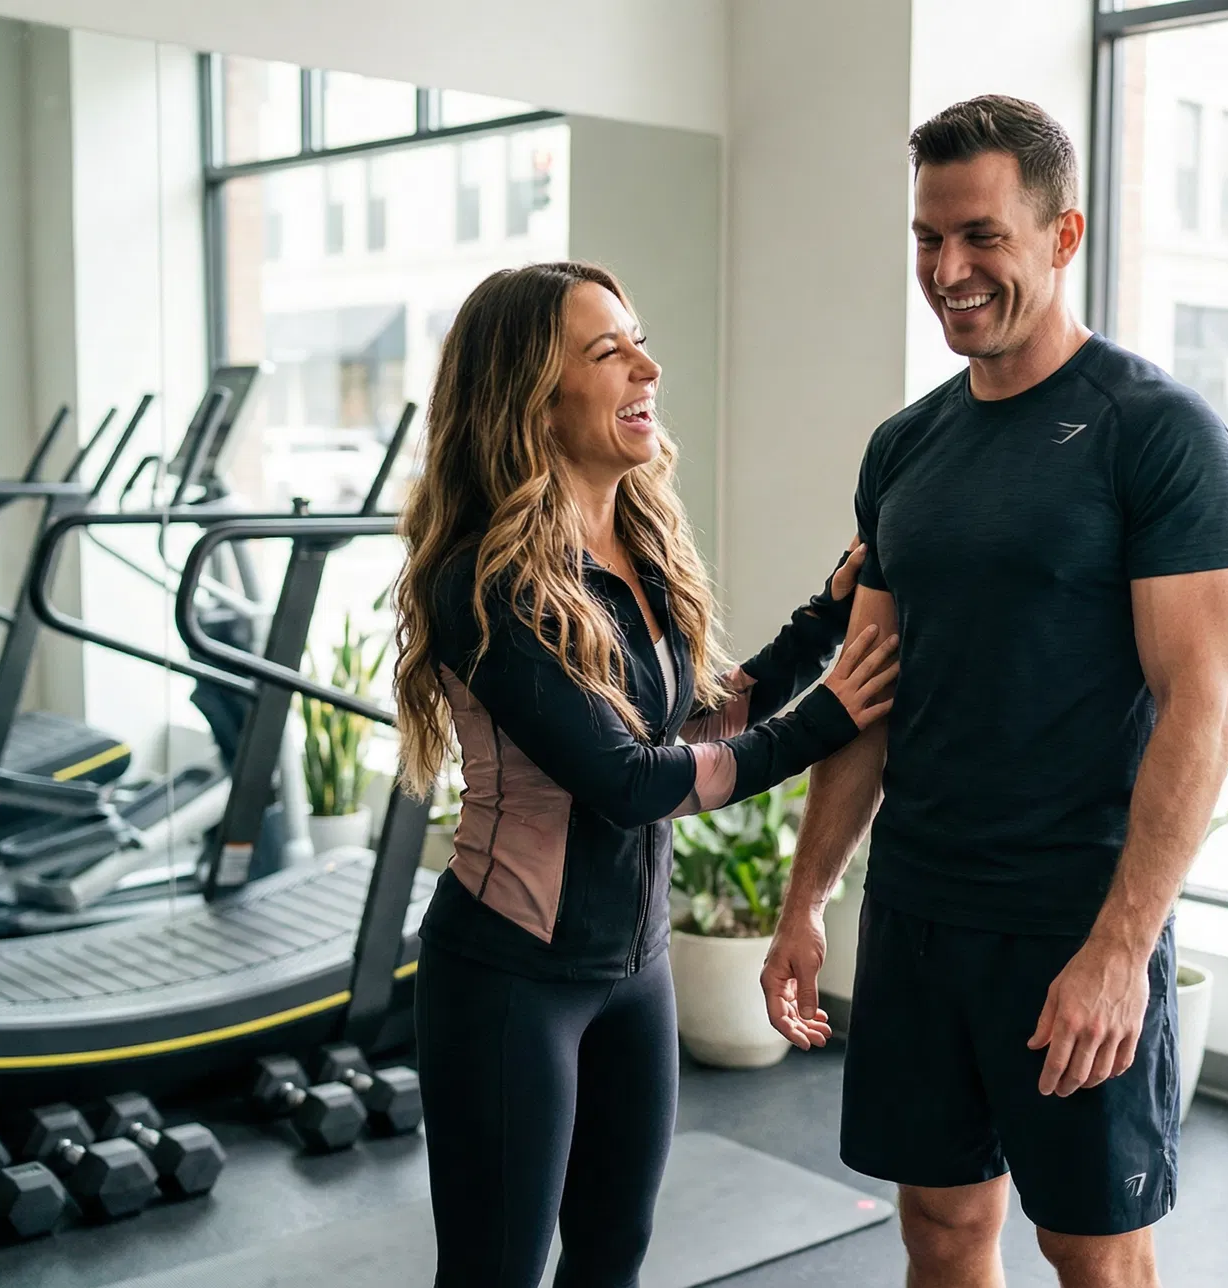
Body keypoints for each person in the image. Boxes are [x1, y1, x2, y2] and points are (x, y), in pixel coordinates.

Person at [761, 96, 1228, 1288]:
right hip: (922, 911)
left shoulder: (1159, 435)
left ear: (1062, 234)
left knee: (1091, 1246)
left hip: (1068, 919)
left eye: (981, 236)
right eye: (929, 239)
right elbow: (864, 691)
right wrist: (809, 896)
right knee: (938, 1226)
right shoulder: (906, 449)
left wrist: (1120, 949)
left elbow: (1203, 707)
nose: (949, 270)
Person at [391, 260, 899, 1288]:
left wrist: (825, 620)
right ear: (532, 394)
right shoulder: (483, 584)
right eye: (608, 351)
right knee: (495, 1271)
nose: (647, 368)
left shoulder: (637, 545)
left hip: (633, 970)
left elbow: (691, 719)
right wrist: (827, 721)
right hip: (509, 981)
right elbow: (627, 780)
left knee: (614, 1254)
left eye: (640, 341)